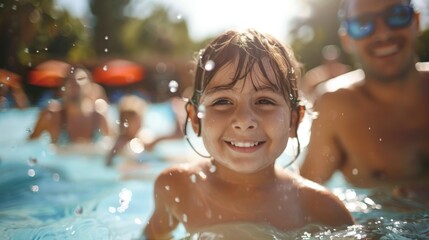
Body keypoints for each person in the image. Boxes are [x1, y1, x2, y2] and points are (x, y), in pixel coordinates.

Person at [143, 29, 354, 239]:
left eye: (264, 101)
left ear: (294, 120)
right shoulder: (177, 188)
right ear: (196, 118)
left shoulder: (321, 210)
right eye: (222, 101)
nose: (244, 121)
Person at [300, 0, 429, 199]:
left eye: (396, 15)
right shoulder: (336, 106)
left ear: (416, 20)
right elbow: (302, 198)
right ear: (347, 40)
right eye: (363, 24)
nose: (383, 33)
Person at [28, 65, 110, 145]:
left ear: (91, 86)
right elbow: (29, 146)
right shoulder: (51, 116)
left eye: (81, 79)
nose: (76, 82)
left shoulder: (99, 116)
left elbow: (112, 145)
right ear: (63, 87)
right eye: (70, 80)